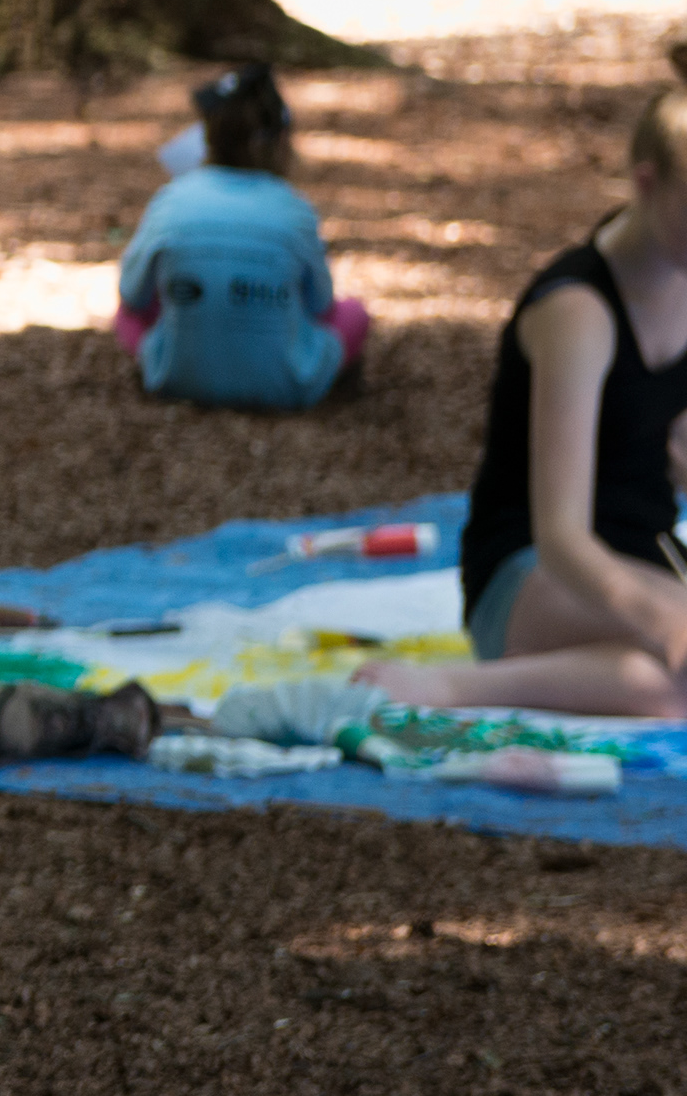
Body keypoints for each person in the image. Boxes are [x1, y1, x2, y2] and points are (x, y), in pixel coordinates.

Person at [368, 51, 687, 720]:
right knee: (671, 677)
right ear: (648, 183)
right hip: (532, 572)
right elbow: (561, 537)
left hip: (639, 561)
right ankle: (452, 689)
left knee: (662, 686)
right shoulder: (578, 313)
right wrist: (665, 619)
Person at [115, 63, 368, 411]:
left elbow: (132, 295)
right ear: (281, 140)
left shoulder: (171, 199)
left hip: (176, 378)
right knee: (354, 313)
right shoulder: (293, 208)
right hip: (286, 385)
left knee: (128, 314)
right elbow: (321, 306)